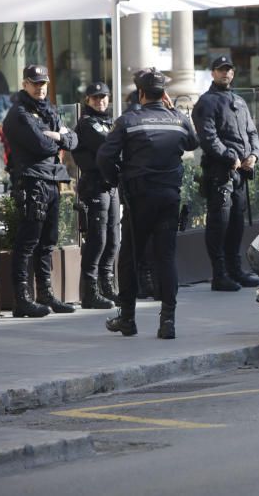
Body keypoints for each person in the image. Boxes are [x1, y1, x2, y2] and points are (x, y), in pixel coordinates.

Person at [98, 68, 198, 339]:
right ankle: (168, 322)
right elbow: (193, 141)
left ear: (140, 93)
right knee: (165, 257)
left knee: (131, 257)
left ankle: (128, 319)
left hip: (138, 198)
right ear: (163, 93)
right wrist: (177, 112)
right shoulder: (177, 119)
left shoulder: (128, 120)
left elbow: (104, 157)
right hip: (168, 197)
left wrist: (116, 179)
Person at [1, 64, 78, 317]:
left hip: (52, 180)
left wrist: (57, 136)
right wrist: (58, 138)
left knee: (48, 242)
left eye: (43, 83)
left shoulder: (49, 111)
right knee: (28, 242)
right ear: (25, 84)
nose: (40, 88)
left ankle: (45, 293)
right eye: (35, 83)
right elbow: (42, 145)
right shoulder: (19, 114)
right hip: (32, 181)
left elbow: (73, 139)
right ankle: (21, 299)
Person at [191, 55, 259, 292]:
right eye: (221, 70)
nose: (226, 74)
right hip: (220, 173)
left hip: (241, 173)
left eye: (229, 70)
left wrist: (253, 155)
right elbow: (208, 137)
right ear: (212, 73)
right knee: (218, 224)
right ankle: (219, 274)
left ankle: (235, 269)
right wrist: (230, 157)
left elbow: (252, 132)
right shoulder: (206, 102)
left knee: (236, 224)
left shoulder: (239, 101)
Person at [72, 82, 119, 309]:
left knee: (113, 238)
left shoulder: (110, 122)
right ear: (87, 100)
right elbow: (108, 144)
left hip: (111, 185)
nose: (100, 101)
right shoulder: (87, 123)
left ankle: (107, 286)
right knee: (97, 239)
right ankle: (90, 291)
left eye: (104, 97)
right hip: (95, 185)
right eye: (95, 98)